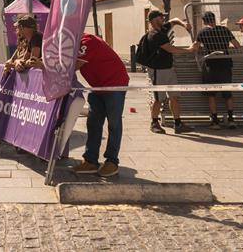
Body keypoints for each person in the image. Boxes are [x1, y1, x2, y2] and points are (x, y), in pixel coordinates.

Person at [71, 33, 130, 177]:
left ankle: (112, 161)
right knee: (93, 123)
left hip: (114, 85)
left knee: (114, 123)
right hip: (97, 86)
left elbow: (74, 66)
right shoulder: (72, 44)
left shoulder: (87, 41)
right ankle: (91, 160)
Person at [144, 9, 197, 134]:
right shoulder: (154, 35)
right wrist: (189, 50)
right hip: (158, 70)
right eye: (161, 17)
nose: (163, 19)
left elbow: (174, 20)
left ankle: (178, 124)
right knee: (158, 99)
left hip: (169, 68)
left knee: (174, 97)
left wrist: (184, 25)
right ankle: (154, 123)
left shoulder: (163, 29)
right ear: (154, 19)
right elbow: (170, 49)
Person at [196, 12, 241, 129]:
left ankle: (215, 122)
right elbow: (237, 45)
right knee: (228, 94)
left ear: (204, 21)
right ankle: (231, 120)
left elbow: (194, 48)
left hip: (210, 65)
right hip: (225, 64)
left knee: (211, 94)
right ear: (214, 20)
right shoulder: (225, 30)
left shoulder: (202, 32)